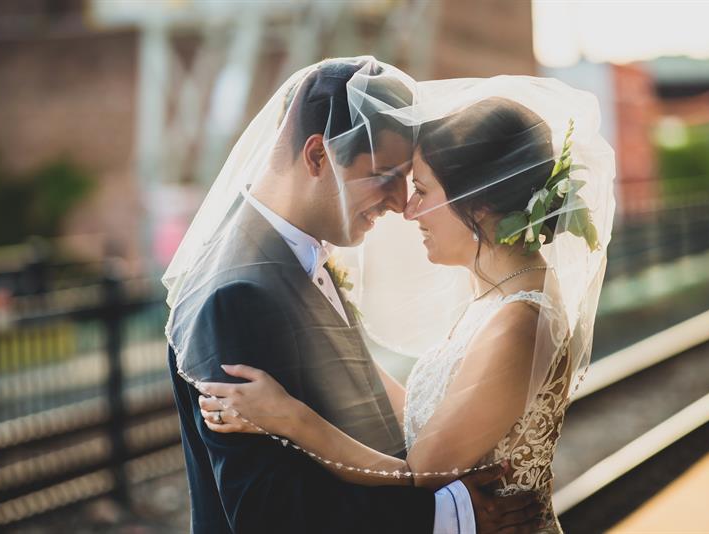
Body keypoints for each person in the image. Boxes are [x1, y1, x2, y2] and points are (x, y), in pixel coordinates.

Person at [197, 80, 616, 533]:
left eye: (422, 189)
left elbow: (419, 475)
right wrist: (329, 325)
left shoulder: (518, 321)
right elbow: (428, 409)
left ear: (479, 200)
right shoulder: (500, 296)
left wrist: (293, 419)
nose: (409, 209)